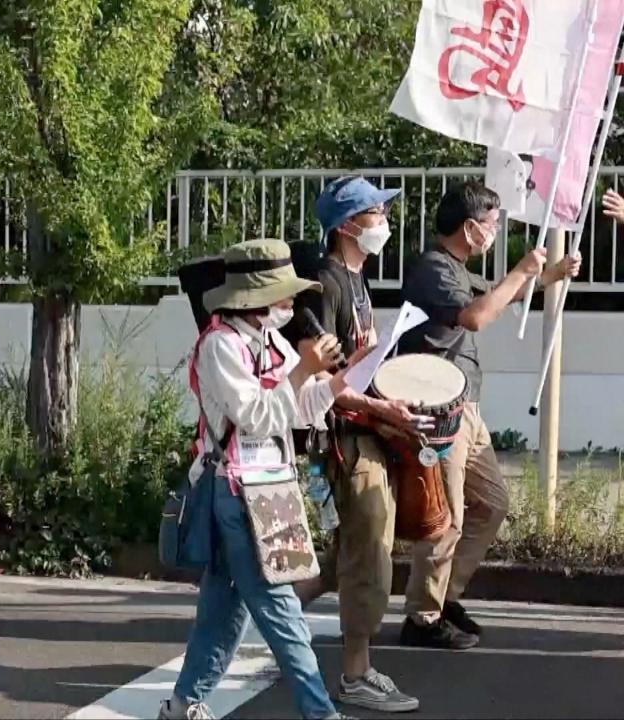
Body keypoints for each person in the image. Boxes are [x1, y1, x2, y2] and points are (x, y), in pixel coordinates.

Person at [159, 239, 366, 720]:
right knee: (280, 609)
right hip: (238, 490)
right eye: (284, 296)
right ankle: (321, 714)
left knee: (223, 609)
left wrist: (337, 378)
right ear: (253, 299)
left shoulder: (270, 342)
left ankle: (182, 704)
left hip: (271, 486)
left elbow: (302, 411)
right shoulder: (218, 345)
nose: (293, 305)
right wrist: (304, 373)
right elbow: (255, 415)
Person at [398, 181, 580, 650]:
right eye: (494, 225)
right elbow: (477, 315)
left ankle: (445, 596)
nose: (496, 233)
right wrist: (522, 270)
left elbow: (497, 295)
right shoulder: (432, 269)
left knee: (492, 503)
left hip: (467, 406)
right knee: (447, 518)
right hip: (437, 407)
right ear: (470, 227)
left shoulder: (455, 267)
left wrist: (549, 275)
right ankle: (421, 616)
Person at [308, 177, 425, 712]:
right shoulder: (326, 284)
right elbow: (323, 385)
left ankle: (252, 609)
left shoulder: (357, 279)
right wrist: (381, 408)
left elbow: (357, 367)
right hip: (347, 441)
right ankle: (355, 675)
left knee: (348, 557)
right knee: (368, 556)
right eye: (375, 212)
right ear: (347, 225)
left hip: (365, 433)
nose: (384, 220)